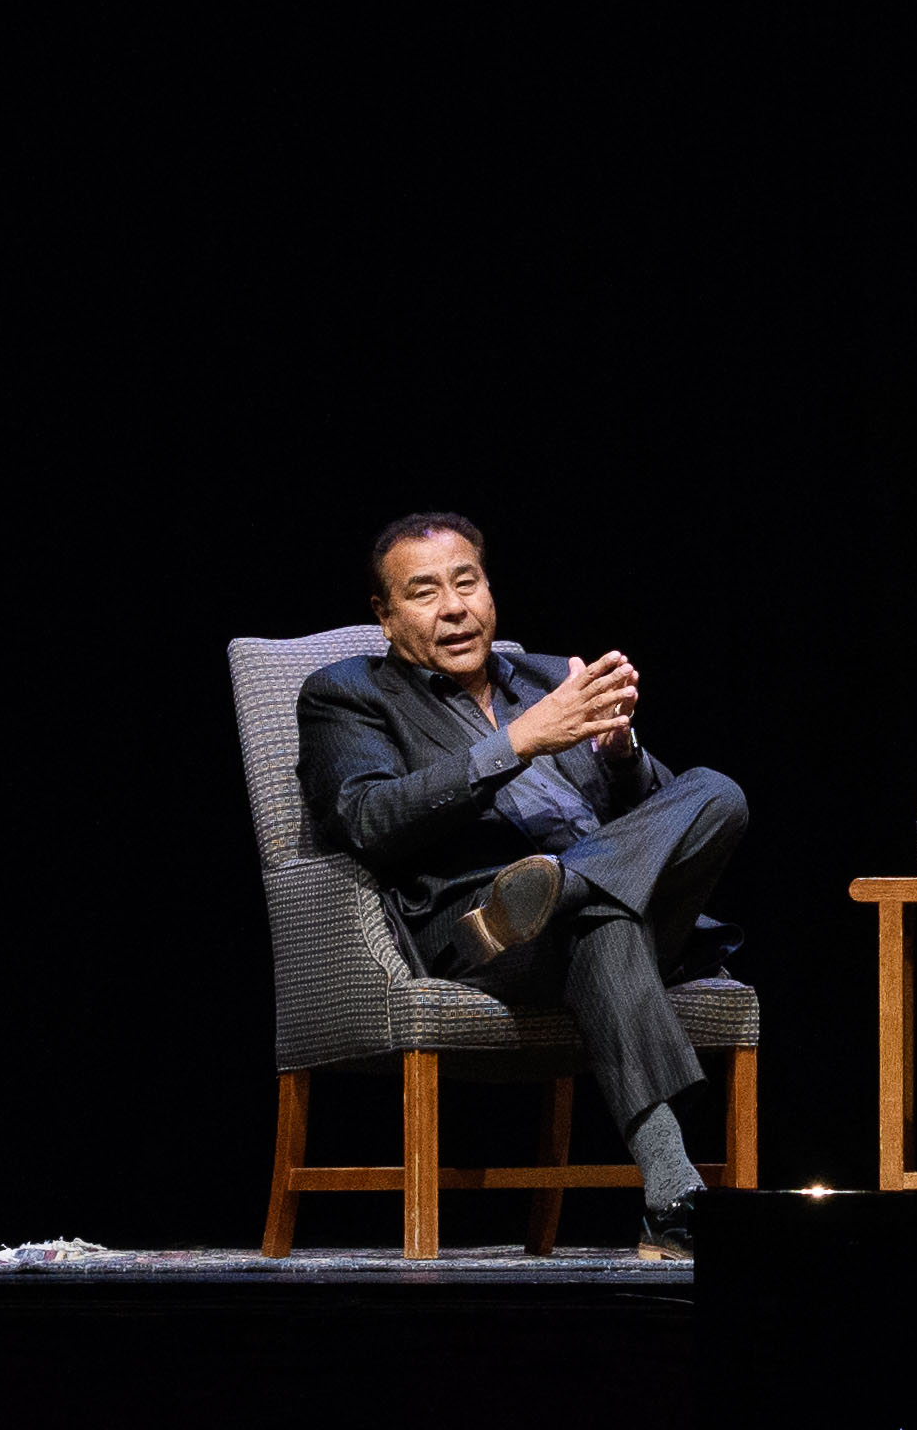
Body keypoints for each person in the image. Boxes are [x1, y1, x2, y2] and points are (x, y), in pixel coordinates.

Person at [294, 511, 750, 1257]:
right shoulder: (345, 695)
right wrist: (517, 741)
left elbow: (663, 823)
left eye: (466, 581)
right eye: (423, 591)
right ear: (383, 615)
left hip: (586, 896)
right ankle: (674, 1198)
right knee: (601, 926)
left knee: (716, 792)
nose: (453, 606)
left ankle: (564, 887)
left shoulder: (543, 675)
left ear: (489, 589)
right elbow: (366, 817)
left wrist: (622, 754)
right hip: (478, 927)